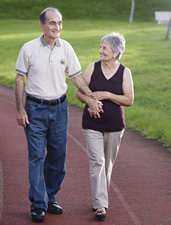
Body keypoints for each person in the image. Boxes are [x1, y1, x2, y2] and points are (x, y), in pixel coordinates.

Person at [14, 7, 102, 223]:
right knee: (36, 156)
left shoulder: (66, 48)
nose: (57, 27)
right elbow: (19, 79)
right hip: (34, 109)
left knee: (58, 158)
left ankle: (50, 195)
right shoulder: (29, 48)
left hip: (60, 109)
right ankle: (38, 204)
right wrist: (20, 109)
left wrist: (91, 97)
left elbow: (76, 77)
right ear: (42, 25)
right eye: (52, 23)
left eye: (60, 23)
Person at [76, 32, 134, 219]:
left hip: (115, 126)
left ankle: (100, 199)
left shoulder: (125, 72)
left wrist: (106, 95)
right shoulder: (92, 68)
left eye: (104, 48)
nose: (100, 51)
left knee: (107, 165)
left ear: (116, 52)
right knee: (97, 162)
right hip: (91, 123)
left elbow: (129, 99)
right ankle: (101, 204)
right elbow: (79, 92)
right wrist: (91, 102)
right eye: (100, 47)